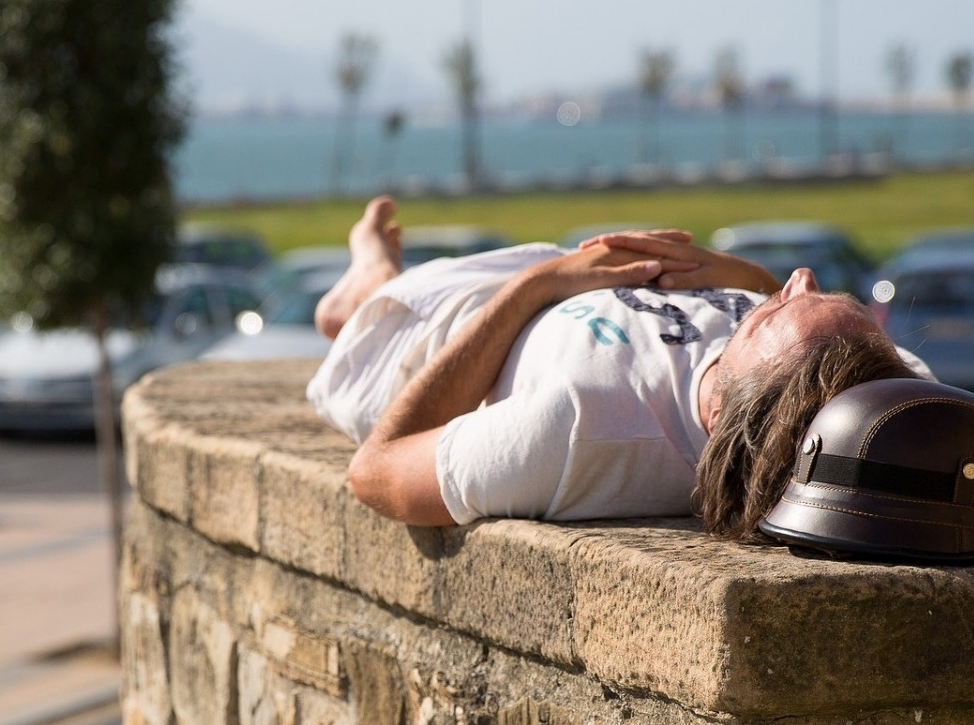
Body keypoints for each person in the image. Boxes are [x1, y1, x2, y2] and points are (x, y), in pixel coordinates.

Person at [307, 197, 928, 542]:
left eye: (770, 314)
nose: (797, 277)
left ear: (719, 412)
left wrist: (532, 289)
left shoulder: (580, 427)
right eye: (811, 291)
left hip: (432, 326)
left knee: (375, 303)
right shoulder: (873, 390)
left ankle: (362, 285)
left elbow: (374, 473)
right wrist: (750, 283)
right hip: (561, 278)